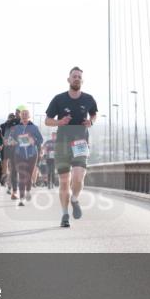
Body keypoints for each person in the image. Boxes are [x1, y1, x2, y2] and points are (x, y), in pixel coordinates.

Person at [45, 67, 98, 228]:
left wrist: (91, 121)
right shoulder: (59, 99)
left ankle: (74, 198)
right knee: (63, 181)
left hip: (80, 142)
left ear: (82, 81)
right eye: (74, 76)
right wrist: (59, 122)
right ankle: (64, 214)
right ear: (68, 80)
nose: (76, 79)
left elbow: (94, 113)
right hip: (61, 143)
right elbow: (47, 120)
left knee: (77, 176)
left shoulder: (89, 99)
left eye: (79, 77)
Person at [5, 106, 43, 206]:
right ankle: (21, 198)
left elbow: (41, 140)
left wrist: (33, 140)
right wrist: (12, 142)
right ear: (21, 116)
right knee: (22, 175)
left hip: (32, 154)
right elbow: (10, 139)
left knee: (29, 176)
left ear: (29, 116)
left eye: (27, 114)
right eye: (23, 114)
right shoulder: (16, 128)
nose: (25, 116)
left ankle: (28, 191)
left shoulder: (34, 127)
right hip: (19, 154)